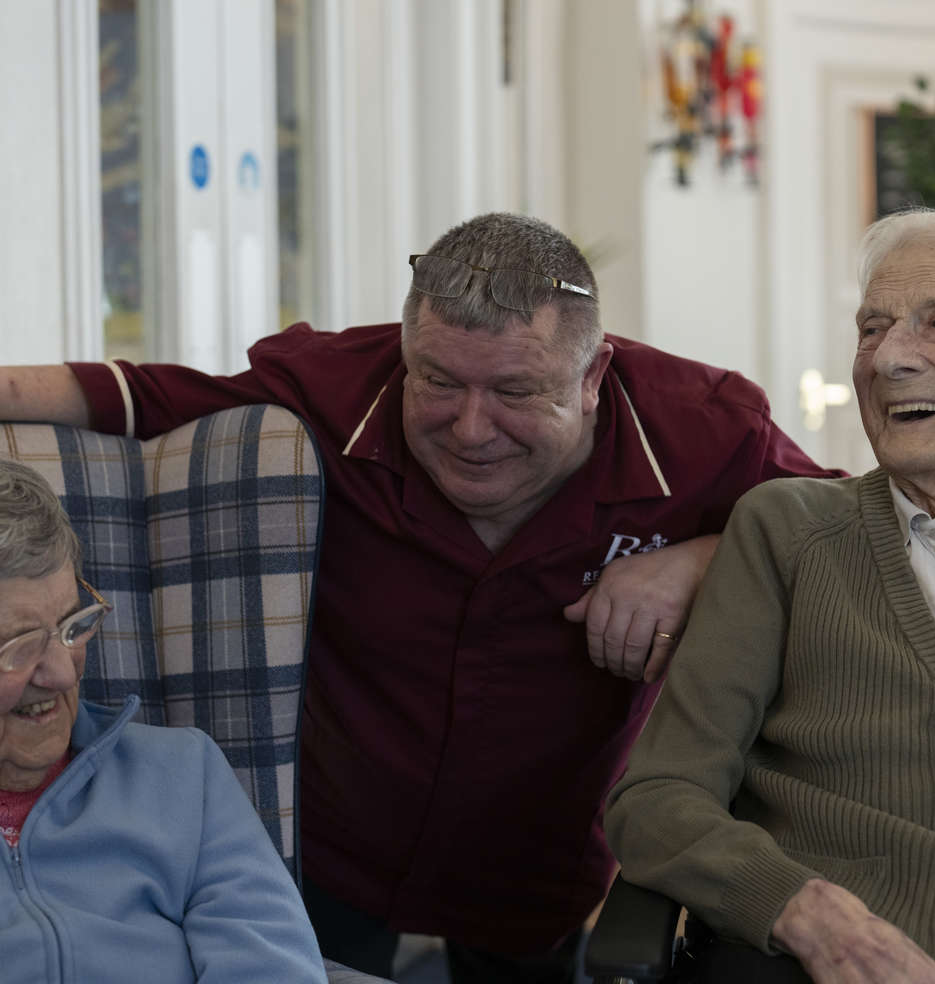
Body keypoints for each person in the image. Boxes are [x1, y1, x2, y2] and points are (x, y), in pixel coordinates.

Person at [0, 213, 835, 983]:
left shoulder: (704, 429)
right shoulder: (336, 387)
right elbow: (134, 396)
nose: (471, 429)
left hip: (540, 868)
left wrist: (705, 560)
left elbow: (853, 541)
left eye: (513, 392)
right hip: (331, 850)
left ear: (593, 376)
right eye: (436, 382)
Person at [605, 208, 935, 984]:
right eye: (872, 328)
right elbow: (656, 799)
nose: (889, 358)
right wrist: (807, 913)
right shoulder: (786, 531)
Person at [0, 457, 332, 983]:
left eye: (72, 626)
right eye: (21, 647)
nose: (63, 674)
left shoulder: (184, 775)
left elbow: (273, 967)